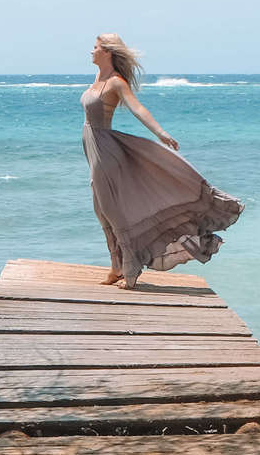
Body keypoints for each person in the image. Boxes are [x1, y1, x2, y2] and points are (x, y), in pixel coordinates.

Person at [82, 34, 243, 286]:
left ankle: (130, 270)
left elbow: (138, 108)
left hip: (105, 150)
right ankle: (116, 266)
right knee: (100, 210)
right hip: (94, 149)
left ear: (107, 52)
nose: (91, 51)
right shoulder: (98, 78)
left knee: (112, 211)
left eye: (95, 47)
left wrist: (160, 133)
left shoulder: (115, 82)